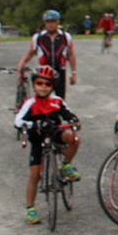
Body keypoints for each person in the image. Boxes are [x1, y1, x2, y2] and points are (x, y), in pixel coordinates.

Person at [14, 66, 81, 224]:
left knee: (74, 139)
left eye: (48, 84)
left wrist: (74, 120)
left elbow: (68, 113)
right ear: (34, 84)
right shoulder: (30, 103)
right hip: (37, 139)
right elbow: (17, 121)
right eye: (39, 83)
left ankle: (66, 165)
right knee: (35, 175)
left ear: (53, 86)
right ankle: (30, 209)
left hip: (54, 133)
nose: (43, 87)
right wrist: (33, 124)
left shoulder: (57, 101)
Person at [17, 10, 77, 99]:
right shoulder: (38, 37)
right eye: (48, 22)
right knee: (42, 99)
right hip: (43, 71)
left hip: (59, 71)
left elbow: (71, 55)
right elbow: (31, 52)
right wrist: (22, 61)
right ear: (44, 23)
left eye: (53, 21)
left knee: (60, 100)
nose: (50, 25)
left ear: (58, 22)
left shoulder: (65, 37)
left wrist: (73, 73)